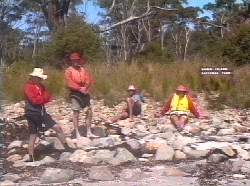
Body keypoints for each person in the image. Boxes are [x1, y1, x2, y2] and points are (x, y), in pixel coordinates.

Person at [24, 68, 73, 162]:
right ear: (32, 77)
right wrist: (43, 98)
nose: (38, 79)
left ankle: (66, 147)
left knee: (57, 127)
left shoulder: (41, 86)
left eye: (39, 78)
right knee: (33, 134)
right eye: (36, 77)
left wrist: (42, 98)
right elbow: (35, 100)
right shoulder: (28, 87)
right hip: (32, 113)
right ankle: (31, 156)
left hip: (41, 112)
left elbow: (48, 97)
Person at [65, 52, 97, 138]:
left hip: (85, 92)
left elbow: (88, 80)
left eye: (77, 60)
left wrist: (85, 88)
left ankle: (88, 131)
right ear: (71, 61)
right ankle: (77, 132)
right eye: (74, 60)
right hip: (75, 93)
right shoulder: (68, 70)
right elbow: (69, 82)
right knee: (76, 112)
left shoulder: (83, 69)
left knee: (89, 111)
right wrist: (79, 88)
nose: (76, 61)